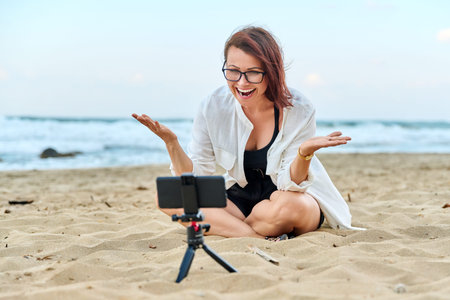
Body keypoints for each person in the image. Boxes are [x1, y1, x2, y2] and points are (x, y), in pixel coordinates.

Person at [133, 26, 360, 240]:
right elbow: (196, 175)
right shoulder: (212, 106)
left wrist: (304, 153)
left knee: (290, 206)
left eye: (252, 73)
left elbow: (291, 183)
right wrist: (171, 143)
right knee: (168, 196)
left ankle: (230, 228)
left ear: (272, 72)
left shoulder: (299, 108)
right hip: (239, 197)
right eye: (233, 71)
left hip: (287, 195)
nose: (241, 83)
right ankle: (255, 236)